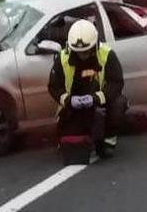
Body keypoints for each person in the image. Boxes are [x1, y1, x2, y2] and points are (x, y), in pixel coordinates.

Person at [48, 19, 127, 159]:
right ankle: (69, 140)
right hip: (72, 103)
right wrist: (68, 100)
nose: (82, 55)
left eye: (86, 51)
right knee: (69, 142)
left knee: (119, 104)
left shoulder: (107, 55)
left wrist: (97, 98)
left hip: (100, 101)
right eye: (78, 52)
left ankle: (108, 140)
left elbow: (116, 82)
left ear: (95, 45)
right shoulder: (62, 58)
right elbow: (54, 86)